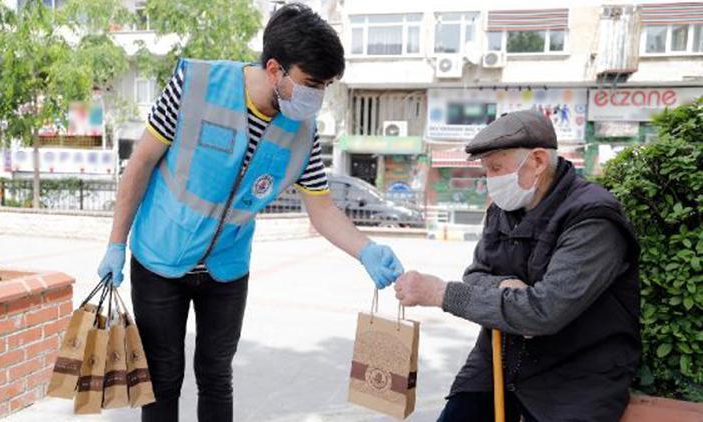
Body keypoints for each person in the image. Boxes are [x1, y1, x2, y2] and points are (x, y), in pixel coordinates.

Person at [97, 4, 403, 421]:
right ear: (275, 68)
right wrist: (116, 243)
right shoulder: (196, 83)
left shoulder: (303, 133)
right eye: (312, 83)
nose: (318, 96)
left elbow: (322, 208)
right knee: (164, 377)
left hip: (227, 267)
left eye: (326, 85)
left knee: (216, 375)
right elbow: (141, 164)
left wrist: (366, 249)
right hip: (160, 257)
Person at [393, 110, 641, 422]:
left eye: (496, 168)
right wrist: (502, 285)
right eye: (486, 171)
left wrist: (441, 294)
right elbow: (475, 274)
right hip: (499, 358)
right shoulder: (504, 208)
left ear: (537, 161)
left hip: (576, 376)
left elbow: (544, 312)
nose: (490, 181)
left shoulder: (592, 217)